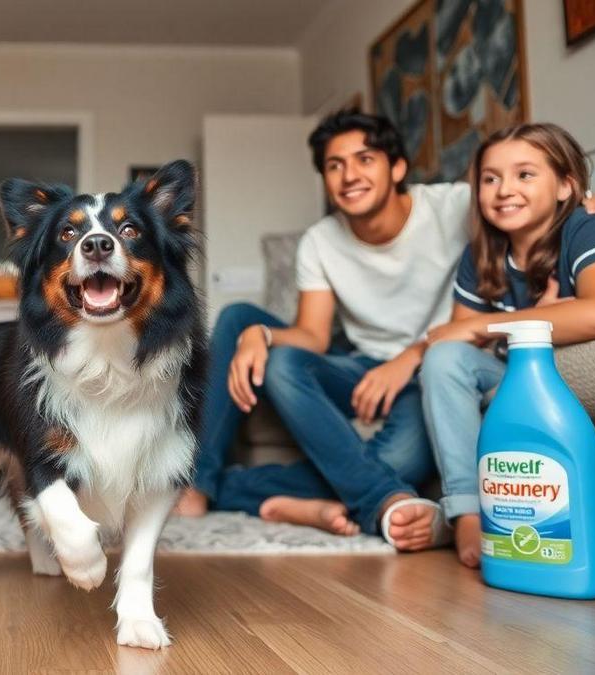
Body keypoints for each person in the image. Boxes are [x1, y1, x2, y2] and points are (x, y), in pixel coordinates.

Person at [174, 109, 469, 548]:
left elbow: (529, 205)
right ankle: (198, 482)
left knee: (400, 460)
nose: (349, 175)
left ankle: (249, 492)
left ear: (398, 167)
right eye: (335, 166)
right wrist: (262, 335)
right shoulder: (321, 240)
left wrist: (584, 205)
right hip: (359, 367)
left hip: (429, 368)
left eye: (365, 159)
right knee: (248, 327)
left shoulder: (455, 207)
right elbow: (311, 335)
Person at [420, 123, 595, 568]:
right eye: (490, 178)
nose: (504, 190)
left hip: (551, 373)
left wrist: (492, 323)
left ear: (565, 186)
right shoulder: (482, 254)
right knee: (443, 359)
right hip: (504, 374)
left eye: (525, 175)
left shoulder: (581, 229)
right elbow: (457, 344)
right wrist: (527, 321)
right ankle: (465, 511)